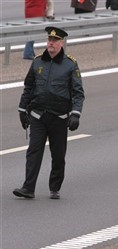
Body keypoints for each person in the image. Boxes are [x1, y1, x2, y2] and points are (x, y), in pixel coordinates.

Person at [13, 26, 85, 200]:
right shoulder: (37, 61)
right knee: (33, 151)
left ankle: (55, 187)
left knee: (58, 155)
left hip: (59, 117)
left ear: (61, 43)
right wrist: (22, 110)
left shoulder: (70, 64)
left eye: (54, 41)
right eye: (49, 40)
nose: (51, 43)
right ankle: (28, 187)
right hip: (38, 115)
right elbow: (28, 87)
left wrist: (75, 114)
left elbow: (78, 92)